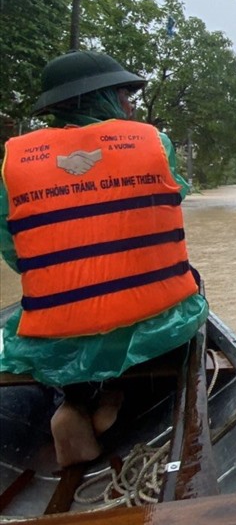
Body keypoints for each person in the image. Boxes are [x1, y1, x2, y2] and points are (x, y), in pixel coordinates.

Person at [0, 51, 208, 467]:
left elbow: (16, 253)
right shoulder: (152, 142)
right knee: (189, 282)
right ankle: (118, 396)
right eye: (125, 95)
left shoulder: (12, 162)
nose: (130, 104)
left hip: (54, 334)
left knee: (50, 309)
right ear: (107, 99)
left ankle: (75, 400)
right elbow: (169, 204)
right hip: (154, 323)